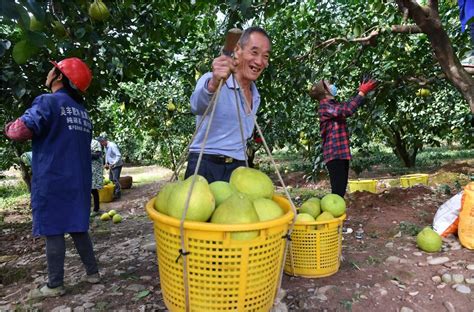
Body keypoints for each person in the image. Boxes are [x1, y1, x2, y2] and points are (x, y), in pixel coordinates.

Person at [4, 57, 100, 299]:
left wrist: (7, 127)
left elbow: (21, 130)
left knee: (54, 228)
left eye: (53, 69)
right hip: (78, 180)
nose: (49, 72)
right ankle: (93, 273)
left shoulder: (48, 102)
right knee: (78, 226)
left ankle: (55, 284)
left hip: (54, 178)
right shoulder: (82, 113)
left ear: (59, 77)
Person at [185, 26, 271, 183]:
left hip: (238, 168)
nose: (260, 61)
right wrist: (213, 84)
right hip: (205, 164)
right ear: (237, 50)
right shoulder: (211, 80)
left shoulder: (255, 95)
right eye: (254, 52)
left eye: (265, 56)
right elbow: (196, 106)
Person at [309, 76, 377, 198]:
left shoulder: (333, 105)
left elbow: (346, 106)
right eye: (328, 84)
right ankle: (331, 215)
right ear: (325, 90)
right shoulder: (325, 106)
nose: (332, 85)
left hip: (341, 153)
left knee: (340, 189)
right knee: (337, 191)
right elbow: (347, 110)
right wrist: (362, 92)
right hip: (334, 154)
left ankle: (335, 213)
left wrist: (360, 93)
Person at [90, 138, 103, 214]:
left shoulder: (95, 142)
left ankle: (96, 208)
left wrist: (87, 153)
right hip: (86, 169)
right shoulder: (82, 142)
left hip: (94, 170)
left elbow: (97, 155)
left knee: (93, 189)